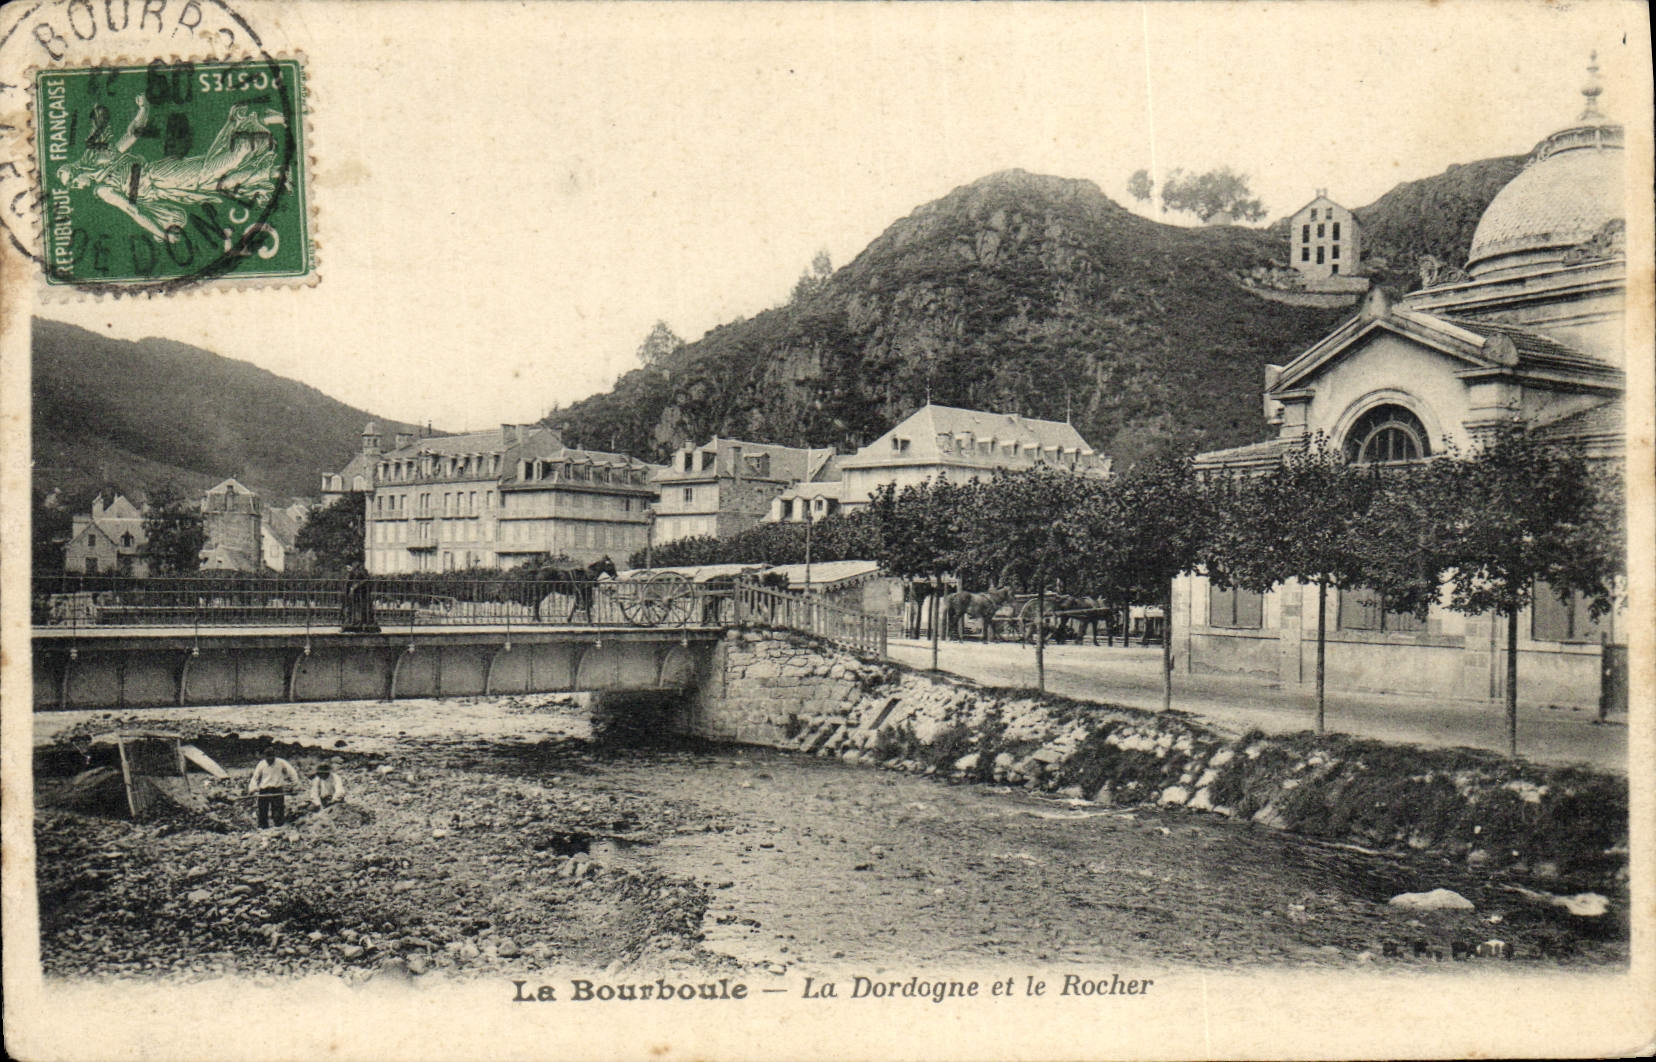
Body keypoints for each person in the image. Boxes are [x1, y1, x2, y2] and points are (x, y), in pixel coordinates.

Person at [247, 744, 300, 827]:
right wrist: (252, 789)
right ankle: (263, 827)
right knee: (263, 810)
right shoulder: (261, 764)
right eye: (268, 757)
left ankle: (279, 826)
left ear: (274, 756)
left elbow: (292, 773)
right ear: (265, 757)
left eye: (271, 757)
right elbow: (255, 778)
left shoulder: (281, 762)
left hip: (277, 789)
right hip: (264, 790)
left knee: (278, 809)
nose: (270, 759)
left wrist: (295, 785)